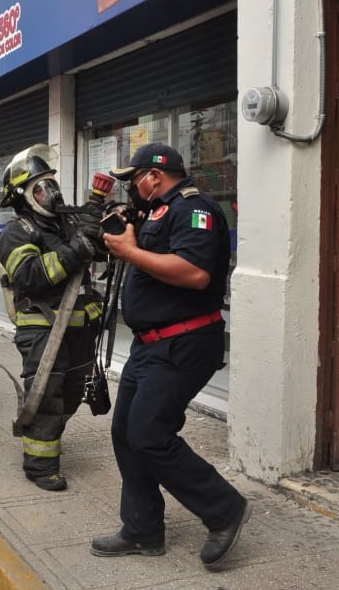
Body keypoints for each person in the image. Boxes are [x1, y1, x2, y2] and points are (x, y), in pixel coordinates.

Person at [90, 142, 248, 568]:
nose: (132, 190)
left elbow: (195, 274)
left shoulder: (195, 209)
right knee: (125, 432)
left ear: (155, 176)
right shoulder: (157, 210)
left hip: (184, 341)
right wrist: (126, 233)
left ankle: (224, 508)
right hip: (151, 343)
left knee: (149, 434)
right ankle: (142, 529)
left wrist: (131, 252)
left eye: (134, 180)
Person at [0, 145, 102, 492]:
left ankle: (48, 435)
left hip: (80, 326)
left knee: (72, 395)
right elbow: (31, 277)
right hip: (42, 327)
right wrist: (78, 248)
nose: (51, 193)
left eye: (52, 185)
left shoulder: (68, 222)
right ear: (24, 197)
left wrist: (99, 227)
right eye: (41, 188)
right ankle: (40, 466)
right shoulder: (16, 233)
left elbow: (97, 251)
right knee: (46, 396)